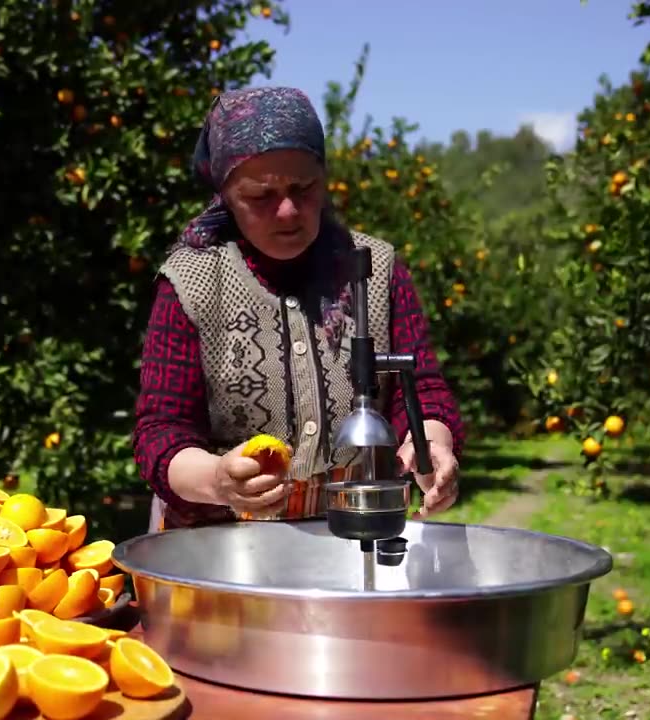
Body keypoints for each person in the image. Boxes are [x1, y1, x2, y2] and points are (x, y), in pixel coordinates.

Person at [132, 86, 465, 533]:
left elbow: (421, 389)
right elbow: (161, 431)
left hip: (353, 532)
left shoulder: (373, 269)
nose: (288, 211)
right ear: (226, 196)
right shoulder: (191, 284)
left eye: (303, 188)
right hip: (220, 547)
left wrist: (430, 446)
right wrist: (217, 479)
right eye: (260, 197)